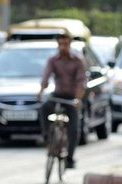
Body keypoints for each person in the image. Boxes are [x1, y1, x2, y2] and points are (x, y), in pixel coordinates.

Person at [37, 32, 87, 169]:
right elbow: (46, 77)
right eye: (60, 44)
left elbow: (81, 82)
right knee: (44, 108)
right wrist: (41, 91)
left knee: (73, 128)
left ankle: (70, 158)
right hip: (57, 95)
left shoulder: (77, 61)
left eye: (65, 44)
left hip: (72, 98)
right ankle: (48, 137)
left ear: (70, 44)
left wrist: (78, 99)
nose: (63, 47)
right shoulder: (53, 60)